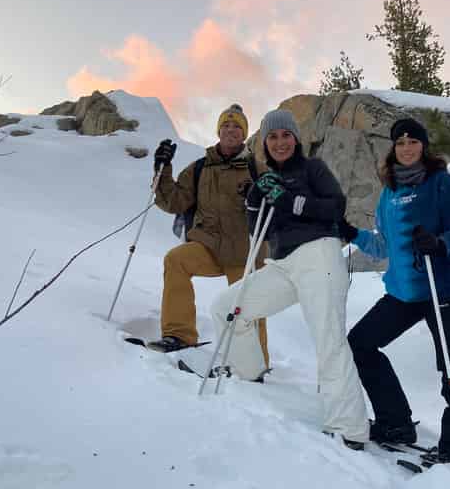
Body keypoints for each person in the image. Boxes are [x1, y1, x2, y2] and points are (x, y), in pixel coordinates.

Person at [210, 109, 369, 449]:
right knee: (228, 307)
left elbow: (334, 207)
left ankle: (349, 428)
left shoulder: (312, 169)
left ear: (296, 139)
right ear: (264, 144)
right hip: (283, 263)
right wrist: (255, 202)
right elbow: (259, 233)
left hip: (319, 255)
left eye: (285, 135)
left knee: (329, 339)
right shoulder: (266, 179)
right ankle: (248, 372)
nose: (280, 142)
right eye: (272, 137)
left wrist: (290, 200)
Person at [340, 118, 450, 465]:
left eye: (413, 142)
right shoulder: (389, 193)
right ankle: (395, 423)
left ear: (423, 146)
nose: (406, 148)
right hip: (404, 292)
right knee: (361, 343)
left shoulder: (441, 183)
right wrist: (350, 232)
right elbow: (383, 245)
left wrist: (440, 243)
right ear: (394, 148)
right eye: (400, 143)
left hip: (443, 287)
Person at [150, 104, 269, 365]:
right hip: (208, 246)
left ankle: (254, 363)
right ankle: (179, 335)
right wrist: (162, 168)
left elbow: (275, 205)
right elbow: (174, 202)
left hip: (245, 252)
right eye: (226, 125)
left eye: (237, 126)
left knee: (246, 306)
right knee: (176, 260)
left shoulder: (256, 168)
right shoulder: (199, 168)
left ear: (244, 133)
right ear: (218, 130)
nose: (231, 130)